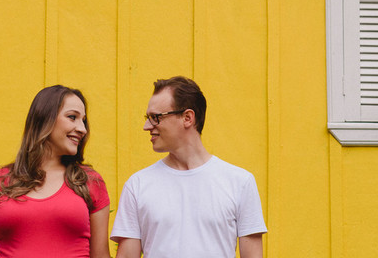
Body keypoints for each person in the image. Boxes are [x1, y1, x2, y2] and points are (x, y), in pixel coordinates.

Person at [111, 76, 267, 258]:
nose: (147, 126)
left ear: (187, 118)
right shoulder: (137, 185)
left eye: (155, 118)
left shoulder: (240, 182)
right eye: (148, 118)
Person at [0, 85, 111, 258]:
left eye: (83, 121)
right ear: (45, 118)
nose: (82, 129)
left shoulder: (90, 182)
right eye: (72, 117)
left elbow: (100, 255)